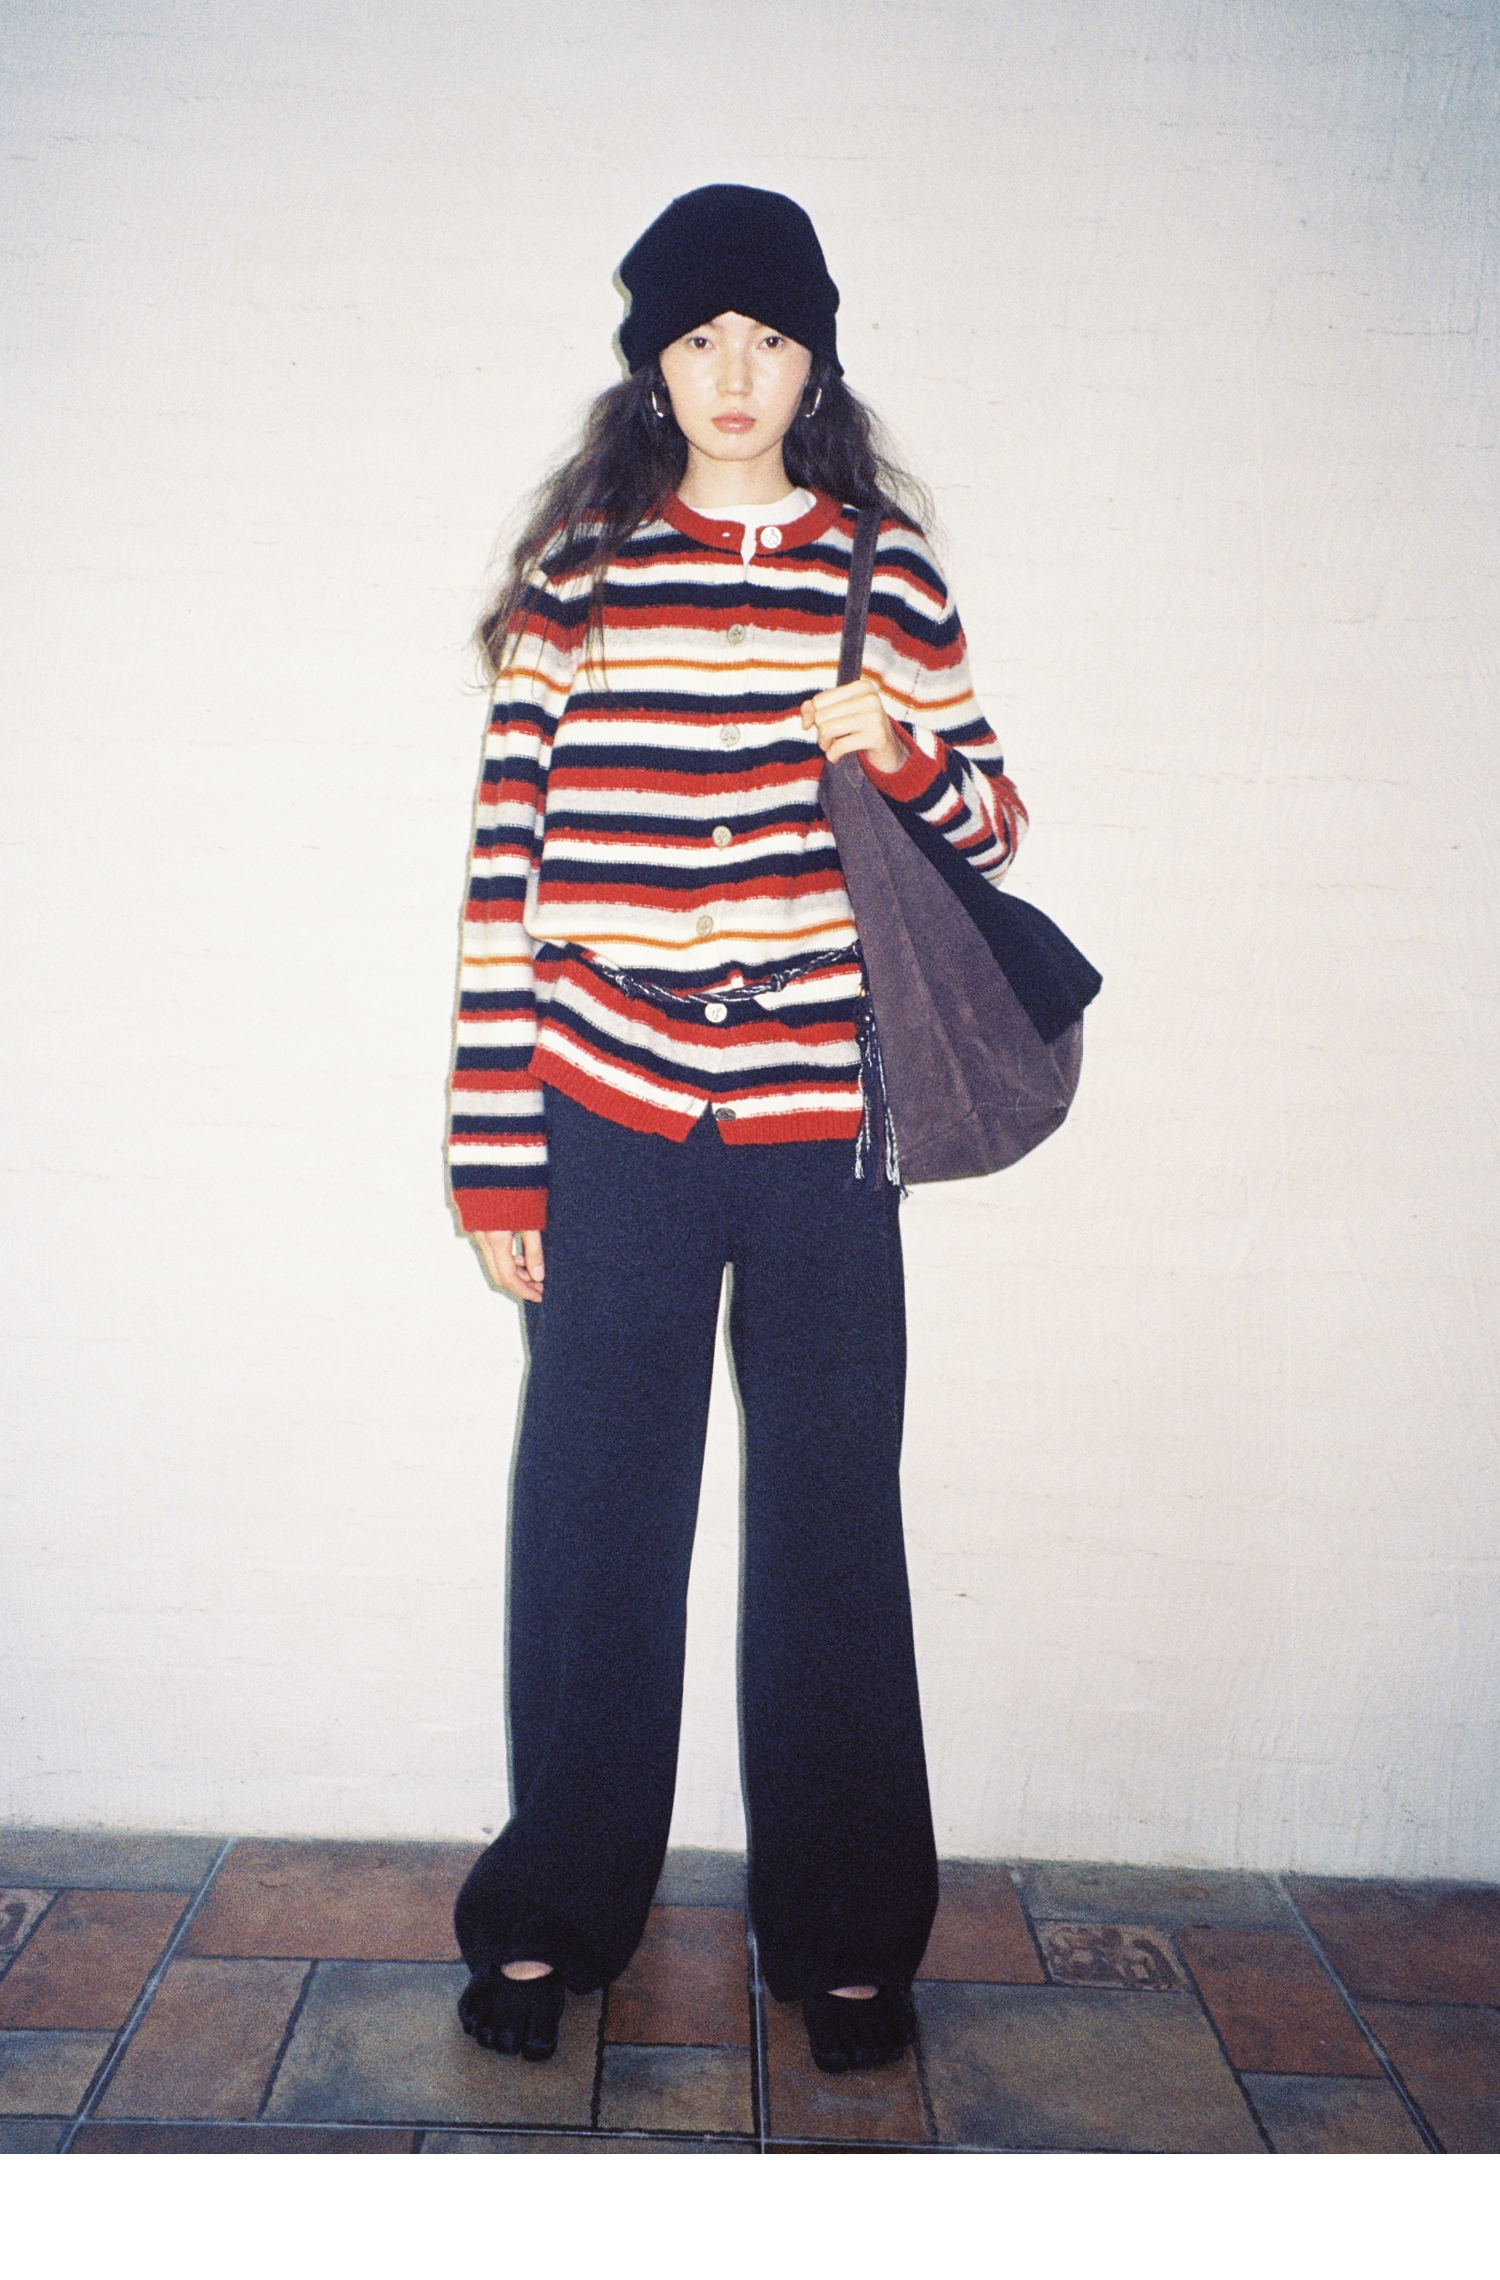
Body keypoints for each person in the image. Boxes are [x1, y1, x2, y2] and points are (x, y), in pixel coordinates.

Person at [445, 184, 1027, 2072]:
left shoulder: (886, 572)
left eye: (769, 340)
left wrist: (901, 751)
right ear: (654, 361)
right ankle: (553, 1917)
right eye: (701, 339)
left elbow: (994, 822)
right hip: (606, 1107)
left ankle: (848, 1936)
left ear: (814, 363)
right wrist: (495, 1145)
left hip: (821, 1127)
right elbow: (505, 877)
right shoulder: (580, 577)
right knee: (597, 1517)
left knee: (832, 1521)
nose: (734, 374)